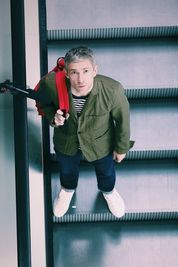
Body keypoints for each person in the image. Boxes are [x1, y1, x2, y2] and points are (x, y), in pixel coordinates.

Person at [36, 46, 134, 218]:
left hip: (101, 144)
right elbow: (43, 104)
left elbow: (123, 121)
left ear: (95, 70)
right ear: (66, 72)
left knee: (106, 171)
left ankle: (108, 191)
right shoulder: (51, 84)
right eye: (74, 72)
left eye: (86, 71)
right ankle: (67, 190)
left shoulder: (113, 90)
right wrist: (53, 118)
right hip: (66, 142)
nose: (80, 79)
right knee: (66, 171)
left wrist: (121, 148)